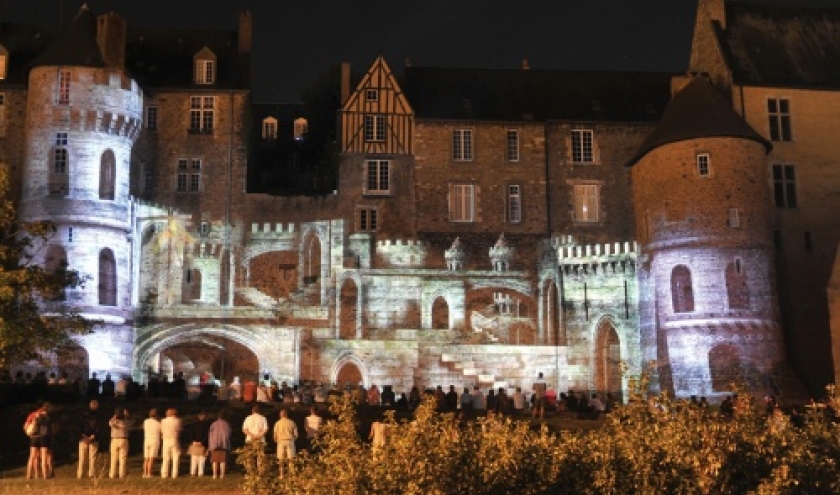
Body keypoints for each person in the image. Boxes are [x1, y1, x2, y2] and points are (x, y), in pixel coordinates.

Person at [24, 402, 49, 479]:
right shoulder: (45, 416)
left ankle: (29, 475)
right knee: (44, 457)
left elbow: (25, 426)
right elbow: (48, 427)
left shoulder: (32, 415)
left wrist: (29, 433)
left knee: (32, 457)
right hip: (43, 438)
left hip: (34, 438)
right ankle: (45, 475)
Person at [78, 400, 102, 479]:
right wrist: (93, 436)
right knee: (92, 457)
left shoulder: (83, 415)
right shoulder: (98, 416)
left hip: (83, 438)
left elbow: (80, 427)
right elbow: (98, 428)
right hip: (93, 438)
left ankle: (81, 474)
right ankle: (91, 474)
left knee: (82, 457)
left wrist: (84, 436)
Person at [273, 409, 298, 478]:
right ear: (286, 415)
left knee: (281, 459)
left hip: (281, 441)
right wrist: (293, 439)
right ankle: (291, 474)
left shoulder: (277, 423)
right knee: (291, 459)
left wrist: (277, 440)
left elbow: (275, 435)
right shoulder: (292, 422)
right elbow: (296, 435)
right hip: (290, 441)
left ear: (280, 415)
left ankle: (282, 475)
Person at [108, 407, 132, 478]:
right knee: (123, 458)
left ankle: (112, 474)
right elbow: (131, 423)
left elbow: (110, 422)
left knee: (113, 458)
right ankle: (122, 474)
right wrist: (126, 416)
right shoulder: (126, 422)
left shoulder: (113, 421)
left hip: (114, 439)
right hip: (124, 439)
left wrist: (115, 416)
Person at [208, 410, 232, 479]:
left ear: (218, 416)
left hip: (214, 444)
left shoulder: (213, 424)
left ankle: (214, 475)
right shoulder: (227, 424)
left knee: (214, 461)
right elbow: (229, 434)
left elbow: (210, 434)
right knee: (223, 461)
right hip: (224, 444)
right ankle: (222, 475)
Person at [160, 408, 182, 478]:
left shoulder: (163, 421)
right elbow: (179, 430)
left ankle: (164, 474)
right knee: (175, 457)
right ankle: (174, 474)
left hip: (166, 440)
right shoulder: (178, 421)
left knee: (165, 457)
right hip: (174, 439)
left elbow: (161, 430)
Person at [188, 410, 211, 476]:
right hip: (203, 444)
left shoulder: (194, 424)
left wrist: (193, 441)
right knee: (201, 459)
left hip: (195, 444)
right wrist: (202, 442)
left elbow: (191, 433)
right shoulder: (208, 425)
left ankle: (193, 472)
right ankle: (200, 473)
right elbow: (207, 435)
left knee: (194, 459)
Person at [142, 408, 161, 478]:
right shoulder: (158, 423)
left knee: (146, 458)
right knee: (151, 458)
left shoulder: (145, 421)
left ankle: (144, 473)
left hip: (147, 440)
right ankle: (149, 473)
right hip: (154, 440)